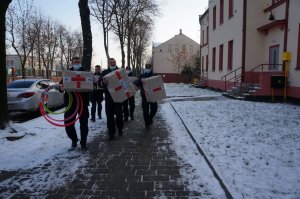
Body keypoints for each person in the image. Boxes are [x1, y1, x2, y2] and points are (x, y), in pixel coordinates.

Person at [59, 56, 90, 151]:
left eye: (78, 61)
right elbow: (60, 86)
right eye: (75, 62)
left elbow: (91, 87)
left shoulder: (86, 72)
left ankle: (83, 143)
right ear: (72, 63)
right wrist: (61, 88)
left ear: (80, 62)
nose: (76, 63)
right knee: (68, 124)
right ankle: (74, 139)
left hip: (83, 103)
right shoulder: (67, 73)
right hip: (70, 103)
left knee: (84, 125)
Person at [101, 58, 124, 141]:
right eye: (111, 63)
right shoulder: (104, 73)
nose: (112, 64)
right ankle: (111, 133)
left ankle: (120, 128)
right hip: (109, 97)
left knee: (119, 115)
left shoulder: (120, 71)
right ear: (108, 64)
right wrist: (103, 83)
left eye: (114, 62)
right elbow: (100, 83)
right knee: (109, 117)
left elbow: (125, 81)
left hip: (118, 97)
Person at [134, 63, 158, 128]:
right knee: (145, 111)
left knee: (154, 109)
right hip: (144, 96)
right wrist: (140, 80)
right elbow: (136, 83)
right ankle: (147, 124)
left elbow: (158, 83)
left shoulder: (154, 75)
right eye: (147, 68)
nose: (148, 69)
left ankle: (150, 118)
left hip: (153, 96)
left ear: (151, 68)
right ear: (145, 68)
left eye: (149, 68)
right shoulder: (141, 75)